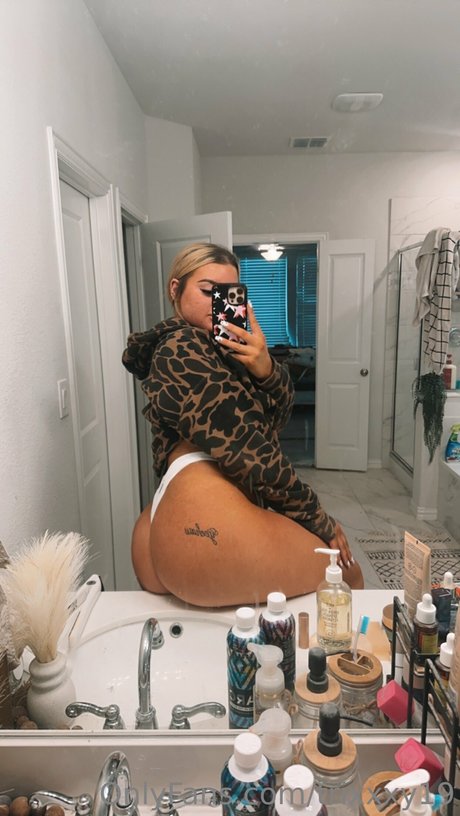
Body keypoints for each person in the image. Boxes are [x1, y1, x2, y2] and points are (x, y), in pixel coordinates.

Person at [122, 242, 363, 607]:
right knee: (348, 577)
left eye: (227, 294)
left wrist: (265, 368)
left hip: (185, 510)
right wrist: (318, 518)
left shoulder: (221, 350)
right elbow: (250, 449)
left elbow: (274, 422)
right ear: (175, 289)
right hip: (204, 516)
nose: (217, 303)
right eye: (207, 291)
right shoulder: (180, 347)